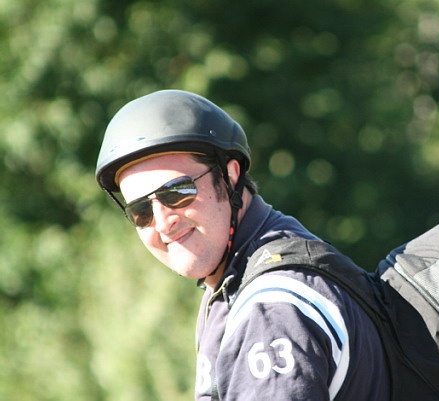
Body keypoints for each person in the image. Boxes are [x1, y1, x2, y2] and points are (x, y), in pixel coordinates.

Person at [95, 89, 391, 400]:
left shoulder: (272, 308)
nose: (163, 222)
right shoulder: (237, 278)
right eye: (141, 210)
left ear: (230, 174)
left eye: (177, 192)